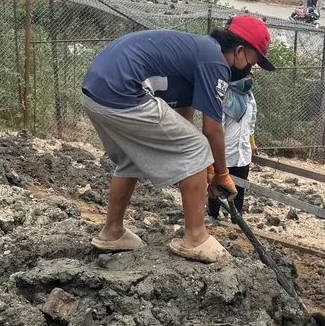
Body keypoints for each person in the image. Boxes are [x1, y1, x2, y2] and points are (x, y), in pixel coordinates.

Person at [81, 15, 276, 263]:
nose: (251, 69)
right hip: (123, 91)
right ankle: (195, 237)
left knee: (132, 158)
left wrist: (202, 168)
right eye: (253, 61)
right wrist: (221, 173)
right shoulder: (215, 61)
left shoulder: (200, 52)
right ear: (239, 51)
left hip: (96, 93)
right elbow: (212, 130)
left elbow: (184, 117)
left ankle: (112, 232)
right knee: (197, 146)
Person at [206, 66, 257, 221]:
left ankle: (236, 217)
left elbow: (252, 120)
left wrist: (251, 141)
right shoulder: (225, 98)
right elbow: (217, 126)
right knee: (218, 184)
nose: (249, 79)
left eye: (251, 76)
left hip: (243, 152)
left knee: (240, 187)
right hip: (225, 151)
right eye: (246, 76)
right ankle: (213, 215)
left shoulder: (249, 98)